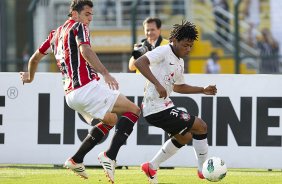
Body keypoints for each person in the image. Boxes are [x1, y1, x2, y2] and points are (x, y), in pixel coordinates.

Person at [19, 0, 140, 183]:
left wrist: (30, 77)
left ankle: (76, 159)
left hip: (71, 96)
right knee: (134, 110)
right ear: (74, 14)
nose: (90, 18)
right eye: (87, 14)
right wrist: (106, 73)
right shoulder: (79, 27)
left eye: (91, 14)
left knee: (111, 119)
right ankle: (110, 156)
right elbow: (85, 51)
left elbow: (35, 58)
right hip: (86, 87)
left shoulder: (55, 34)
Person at [135, 20, 217, 183]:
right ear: (174, 40)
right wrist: (158, 85)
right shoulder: (163, 51)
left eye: (190, 46)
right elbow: (140, 62)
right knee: (201, 126)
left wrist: (202, 90)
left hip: (163, 106)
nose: (188, 49)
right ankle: (203, 171)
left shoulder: (180, 61)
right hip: (155, 108)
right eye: (185, 45)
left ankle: (151, 166)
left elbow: (179, 87)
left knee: (184, 137)